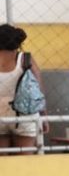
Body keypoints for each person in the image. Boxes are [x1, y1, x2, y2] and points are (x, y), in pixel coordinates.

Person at [0, 24, 45, 155]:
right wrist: (43, 115)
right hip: (25, 114)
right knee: (25, 159)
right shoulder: (25, 59)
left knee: (2, 161)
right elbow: (38, 91)